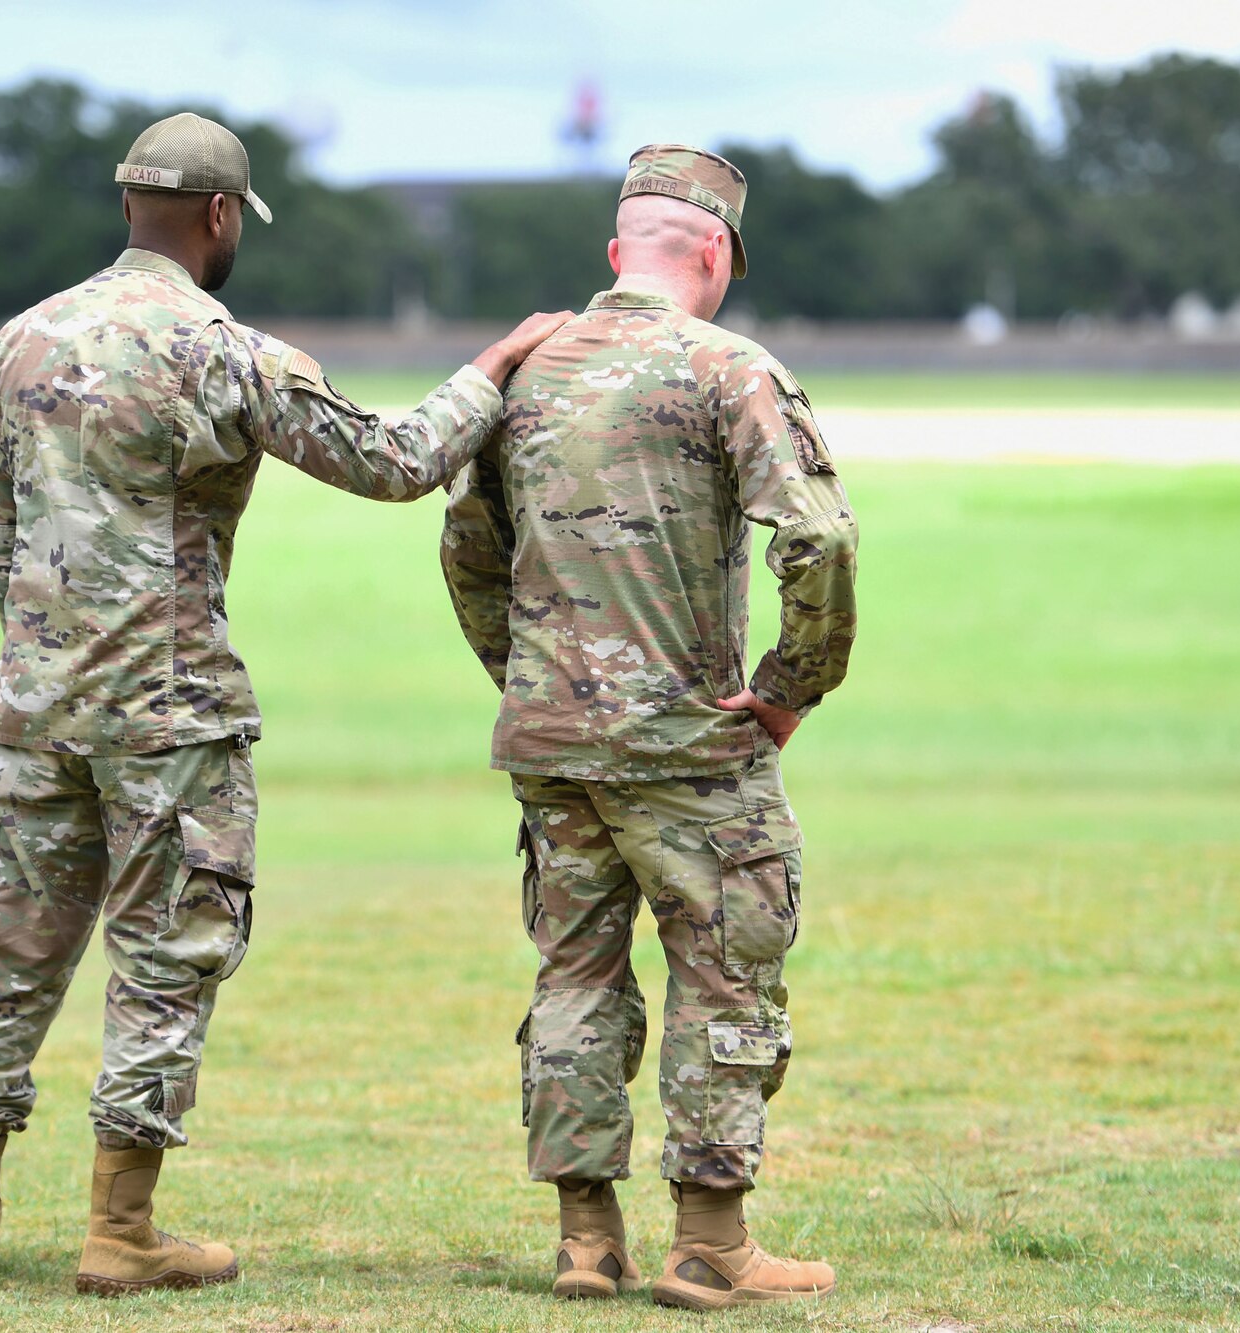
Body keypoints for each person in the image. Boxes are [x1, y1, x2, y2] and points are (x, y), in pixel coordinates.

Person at [0, 110, 570, 1296]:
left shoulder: (18, 341)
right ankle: (120, 1232)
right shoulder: (222, 350)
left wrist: (47, 659)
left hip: (33, 703)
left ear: (127, 206)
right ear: (221, 217)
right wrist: (493, 368)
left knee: (6, 952)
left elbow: (3, 545)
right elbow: (393, 461)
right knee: (166, 957)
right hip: (168, 711)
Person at [439, 143, 859, 1311]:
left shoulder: (524, 370)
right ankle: (712, 1244)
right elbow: (819, 540)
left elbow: (466, 553)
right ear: (714, 252)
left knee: (573, 976)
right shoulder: (728, 367)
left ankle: (584, 1240)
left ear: (616, 253)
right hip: (688, 744)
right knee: (725, 975)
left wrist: (528, 679)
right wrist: (789, 684)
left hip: (551, 744)